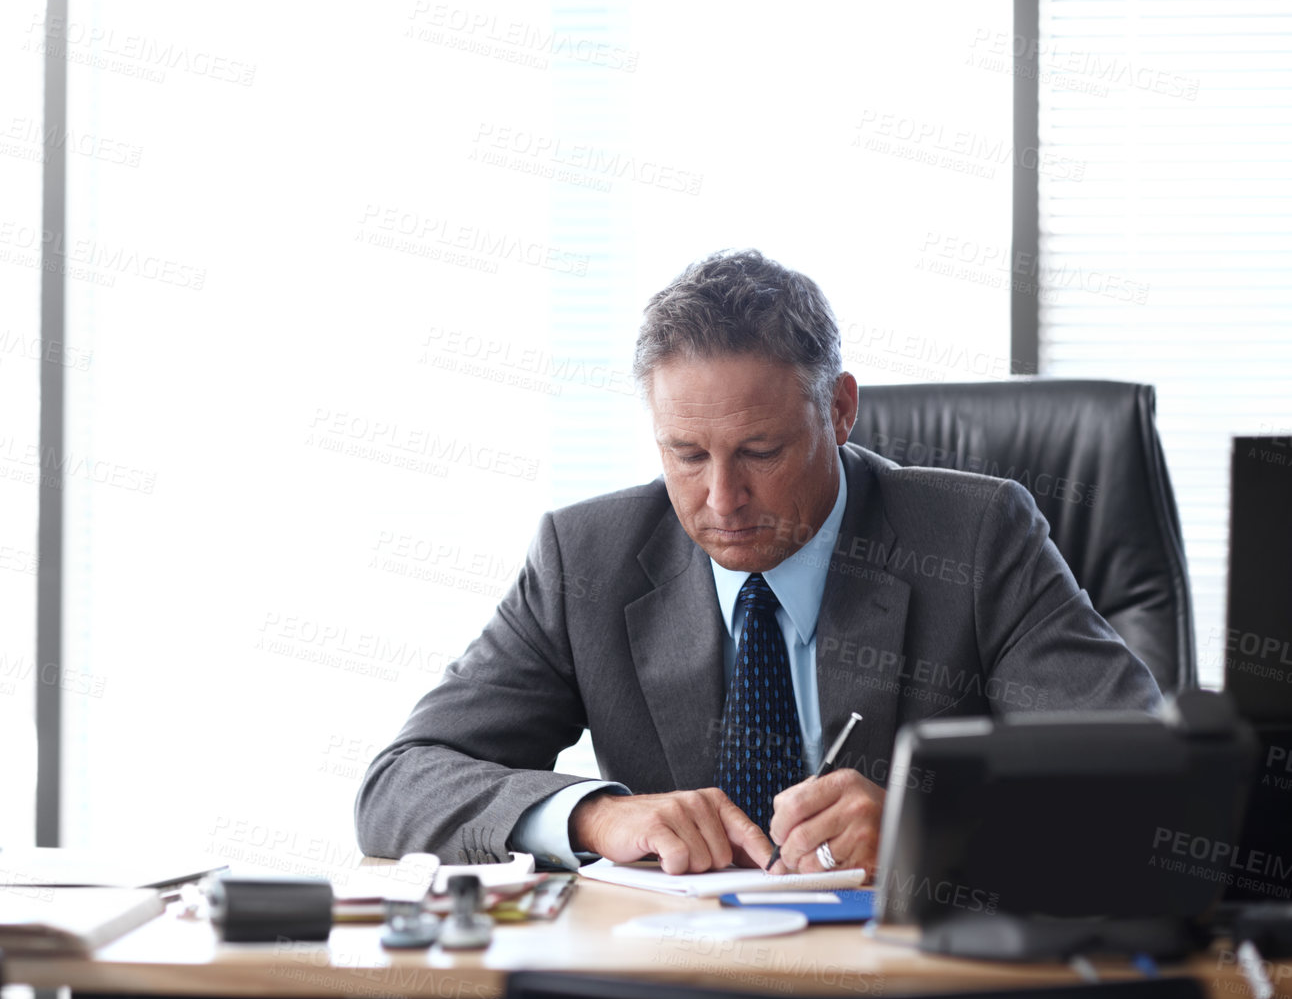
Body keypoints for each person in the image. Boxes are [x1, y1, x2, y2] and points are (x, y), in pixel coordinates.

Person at [354, 249, 1161, 877]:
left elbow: (1148, 780)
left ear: (840, 409)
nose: (722, 498)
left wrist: (935, 827)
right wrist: (593, 816)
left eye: (760, 452)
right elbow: (400, 784)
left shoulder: (978, 537)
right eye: (687, 454)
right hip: (680, 998)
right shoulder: (585, 559)